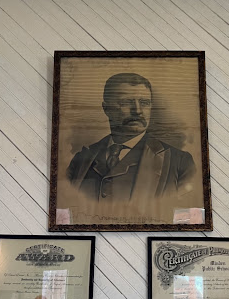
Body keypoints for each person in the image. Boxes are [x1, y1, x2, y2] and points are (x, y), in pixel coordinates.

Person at [66, 72, 196, 202]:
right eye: (126, 102)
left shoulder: (180, 163)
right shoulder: (81, 160)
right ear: (106, 108)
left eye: (144, 103)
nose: (137, 111)